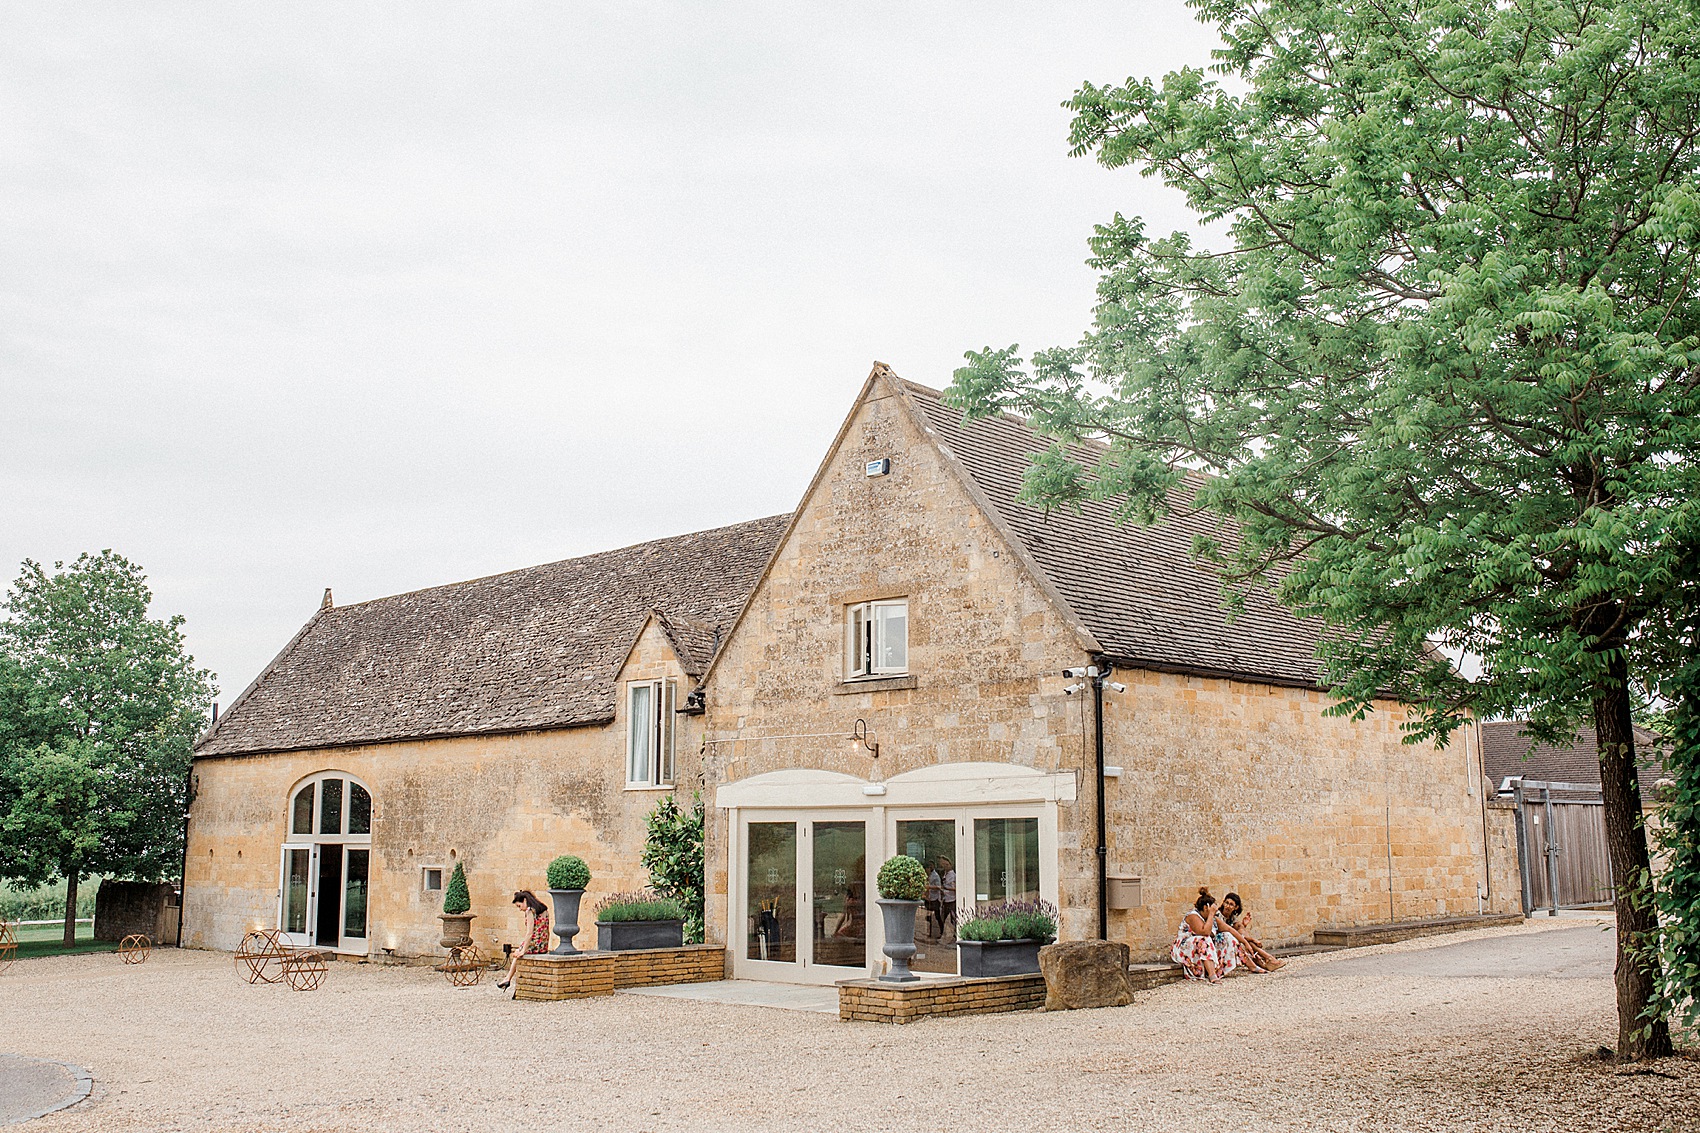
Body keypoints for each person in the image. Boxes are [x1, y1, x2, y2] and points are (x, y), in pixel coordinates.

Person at [1170, 886, 1240, 982]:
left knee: (1225, 936)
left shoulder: (1208, 919)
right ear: (1205, 907)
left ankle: (1219, 970)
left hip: (1196, 947)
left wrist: (1247, 943)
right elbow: (1205, 933)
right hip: (1183, 948)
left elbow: (1228, 929)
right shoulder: (1193, 916)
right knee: (1204, 939)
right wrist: (1211, 914)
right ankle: (1212, 975)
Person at [497, 889, 550, 994]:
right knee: (518, 950)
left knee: (517, 953)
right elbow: (546, 930)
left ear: (525, 900)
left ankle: (507, 978)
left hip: (534, 943)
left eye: (519, 906)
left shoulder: (530, 911)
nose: (520, 909)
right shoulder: (544, 910)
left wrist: (523, 950)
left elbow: (529, 933)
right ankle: (507, 978)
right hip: (543, 944)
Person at [1220, 892, 1284, 971]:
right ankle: (1267, 958)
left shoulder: (1231, 917)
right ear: (1223, 902)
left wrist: (1244, 925)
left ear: (1236, 907)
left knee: (1240, 927)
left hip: (1229, 938)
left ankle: (1263, 960)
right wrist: (1252, 939)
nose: (1227, 906)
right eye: (1226, 903)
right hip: (1220, 941)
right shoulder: (1218, 915)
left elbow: (1236, 931)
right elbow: (1229, 931)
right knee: (1241, 932)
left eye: (1231, 904)